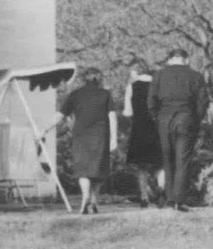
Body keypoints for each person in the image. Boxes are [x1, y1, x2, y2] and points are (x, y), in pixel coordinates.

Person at [47, 67, 117, 215]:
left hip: (81, 136)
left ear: (84, 79)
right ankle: (94, 201)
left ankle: (85, 197)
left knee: (83, 170)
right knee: (98, 170)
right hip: (100, 136)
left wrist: (45, 129)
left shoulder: (76, 94)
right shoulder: (105, 94)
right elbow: (112, 117)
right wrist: (114, 139)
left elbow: (60, 115)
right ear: (98, 79)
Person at [147, 48, 210, 212]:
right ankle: (178, 200)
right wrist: (195, 120)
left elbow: (151, 101)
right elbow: (203, 102)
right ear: (186, 59)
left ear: (170, 59)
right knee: (183, 160)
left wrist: (157, 117)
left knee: (167, 159)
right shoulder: (196, 76)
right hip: (186, 117)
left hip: (164, 118)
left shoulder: (159, 75)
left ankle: (169, 199)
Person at [121, 61, 165, 207]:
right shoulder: (159, 86)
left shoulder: (131, 87)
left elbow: (128, 112)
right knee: (160, 164)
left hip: (139, 128)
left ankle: (144, 197)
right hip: (157, 128)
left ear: (136, 72)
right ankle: (161, 190)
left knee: (142, 166)